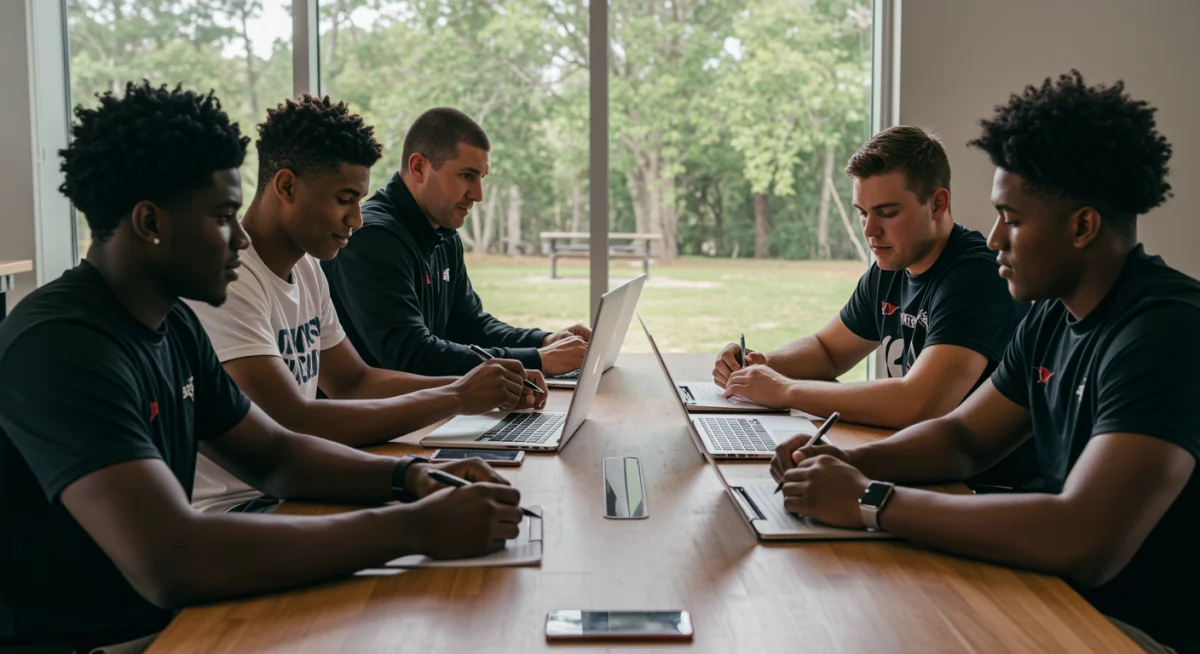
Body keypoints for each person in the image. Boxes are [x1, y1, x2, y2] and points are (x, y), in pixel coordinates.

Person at [0, 82, 523, 651]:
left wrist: (411, 479)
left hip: (168, 616)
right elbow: (172, 558)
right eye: (224, 216)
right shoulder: (59, 346)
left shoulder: (170, 324)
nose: (240, 236)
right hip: (103, 640)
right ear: (151, 223)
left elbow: (275, 454)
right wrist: (415, 526)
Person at [771, 71, 1197, 653]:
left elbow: (1086, 539)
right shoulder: (1051, 315)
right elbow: (965, 437)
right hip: (1047, 589)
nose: (994, 238)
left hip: (1129, 629)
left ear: (1082, 226)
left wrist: (872, 501)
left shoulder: (1167, 331)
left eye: (1013, 219)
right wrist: (845, 461)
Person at [184, 95, 546, 511]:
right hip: (243, 509)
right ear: (286, 186)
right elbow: (294, 422)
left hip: (295, 489)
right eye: (344, 199)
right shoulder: (230, 281)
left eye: (359, 199)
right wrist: (457, 398)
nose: (357, 219)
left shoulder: (306, 270)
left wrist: (477, 386)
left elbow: (353, 383)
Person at [712, 126, 1033, 488]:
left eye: (887, 213)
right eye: (863, 213)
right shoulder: (891, 266)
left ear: (937, 204)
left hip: (979, 490)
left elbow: (921, 403)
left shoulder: (976, 276)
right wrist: (759, 365)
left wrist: (785, 390)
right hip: (923, 472)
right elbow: (829, 350)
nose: (869, 231)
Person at [322, 107, 591, 377]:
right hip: (380, 415)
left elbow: (470, 325)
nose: (477, 194)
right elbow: (411, 355)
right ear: (419, 167)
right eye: (467, 176)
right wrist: (538, 360)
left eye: (481, 178)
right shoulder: (372, 238)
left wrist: (544, 342)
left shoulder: (443, 233)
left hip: (428, 408)